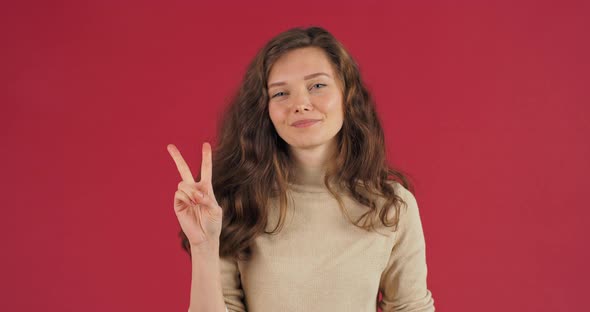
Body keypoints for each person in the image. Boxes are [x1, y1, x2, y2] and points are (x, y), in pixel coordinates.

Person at [167, 26, 435, 312]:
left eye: (317, 86)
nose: (300, 104)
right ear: (264, 110)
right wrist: (204, 246)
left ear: (347, 94)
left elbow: (411, 307)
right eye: (281, 93)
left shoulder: (391, 206)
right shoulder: (237, 202)